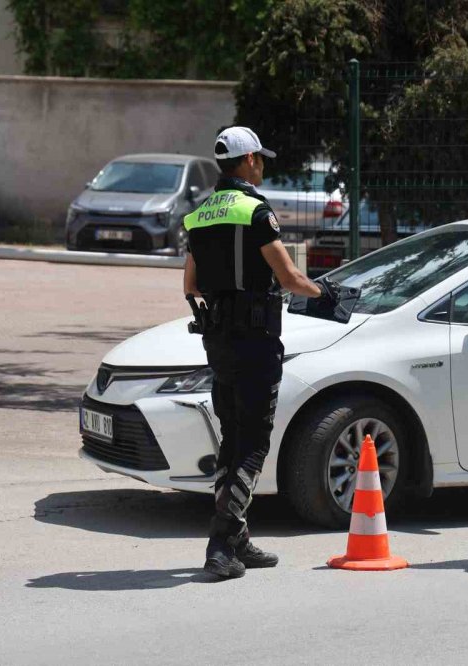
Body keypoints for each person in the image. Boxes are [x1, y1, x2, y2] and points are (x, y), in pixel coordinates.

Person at [182, 126, 328, 580]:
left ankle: (238, 536)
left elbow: (190, 286)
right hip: (256, 340)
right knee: (254, 441)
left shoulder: (199, 215)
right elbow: (289, 278)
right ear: (247, 163)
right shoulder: (255, 211)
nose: (263, 165)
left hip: (218, 342)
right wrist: (324, 292)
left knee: (233, 436)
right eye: (260, 159)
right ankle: (221, 543)